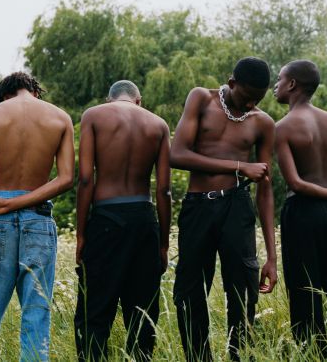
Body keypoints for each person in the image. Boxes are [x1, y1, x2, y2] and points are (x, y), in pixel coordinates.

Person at [0, 72, 74, 362]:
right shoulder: (61, 118)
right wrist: (20, 204)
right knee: (37, 316)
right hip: (38, 220)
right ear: (35, 91)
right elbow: (65, 179)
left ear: (4, 95)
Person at [170, 57, 277, 361]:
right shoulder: (201, 99)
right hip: (197, 207)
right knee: (189, 291)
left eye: (258, 99)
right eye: (245, 97)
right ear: (231, 84)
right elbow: (176, 154)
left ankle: (240, 355)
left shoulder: (263, 123)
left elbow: (265, 190)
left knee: (243, 289)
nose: (251, 104)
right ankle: (197, 357)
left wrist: (271, 256)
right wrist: (240, 165)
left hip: (237, 207)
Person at [74, 80, 171, 361]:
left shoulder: (94, 116)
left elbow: (85, 179)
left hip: (106, 218)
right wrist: (163, 244)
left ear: (110, 99)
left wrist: (81, 235)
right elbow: (164, 190)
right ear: (139, 100)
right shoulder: (159, 125)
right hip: (144, 219)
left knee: (95, 312)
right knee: (142, 315)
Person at [274, 60, 327, 355]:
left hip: (303, 214)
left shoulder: (282, 128)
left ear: (292, 84)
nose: (276, 85)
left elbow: (294, 183)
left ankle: (314, 351)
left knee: (305, 288)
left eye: (280, 79)